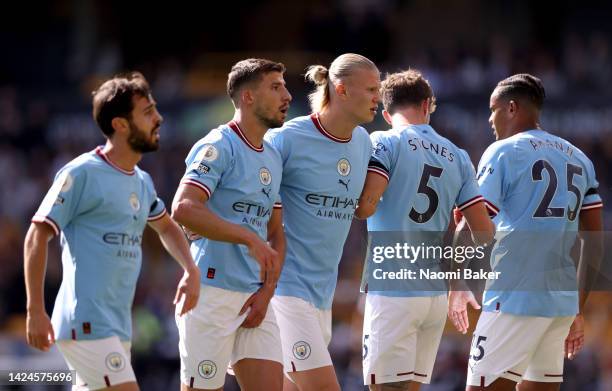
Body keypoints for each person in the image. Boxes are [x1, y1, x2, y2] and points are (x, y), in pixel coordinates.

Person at [24, 72, 201, 390]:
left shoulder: (142, 181)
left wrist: (190, 269)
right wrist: (35, 310)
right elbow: (37, 235)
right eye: (147, 112)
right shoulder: (81, 173)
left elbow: (167, 227)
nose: (158, 119)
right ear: (120, 124)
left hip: (118, 327)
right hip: (87, 323)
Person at [450, 74, 604, 391]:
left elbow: (476, 224)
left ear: (511, 107)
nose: (489, 119)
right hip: (559, 304)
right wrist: (576, 307)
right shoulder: (580, 158)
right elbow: (596, 243)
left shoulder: (502, 151)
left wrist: (456, 280)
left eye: (492, 110)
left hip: (513, 297)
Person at [355, 69, 494, 391]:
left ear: (387, 114)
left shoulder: (384, 141)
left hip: (392, 286)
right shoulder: (458, 157)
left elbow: (367, 205)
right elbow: (483, 231)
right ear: (428, 104)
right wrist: (458, 278)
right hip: (433, 293)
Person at [171, 58, 291, 391]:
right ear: (248, 97)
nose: (288, 96)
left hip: (255, 297)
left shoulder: (272, 156)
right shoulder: (218, 145)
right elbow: (183, 207)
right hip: (211, 293)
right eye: (276, 87)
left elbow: (276, 233)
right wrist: (248, 239)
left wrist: (267, 291)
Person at [264, 53, 380, 391]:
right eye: (371, 89)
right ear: (341, 90)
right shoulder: (287, 138)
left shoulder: (363, 143)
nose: (378, 97)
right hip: (282, 291)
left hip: (320, 296)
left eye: (380, 89)